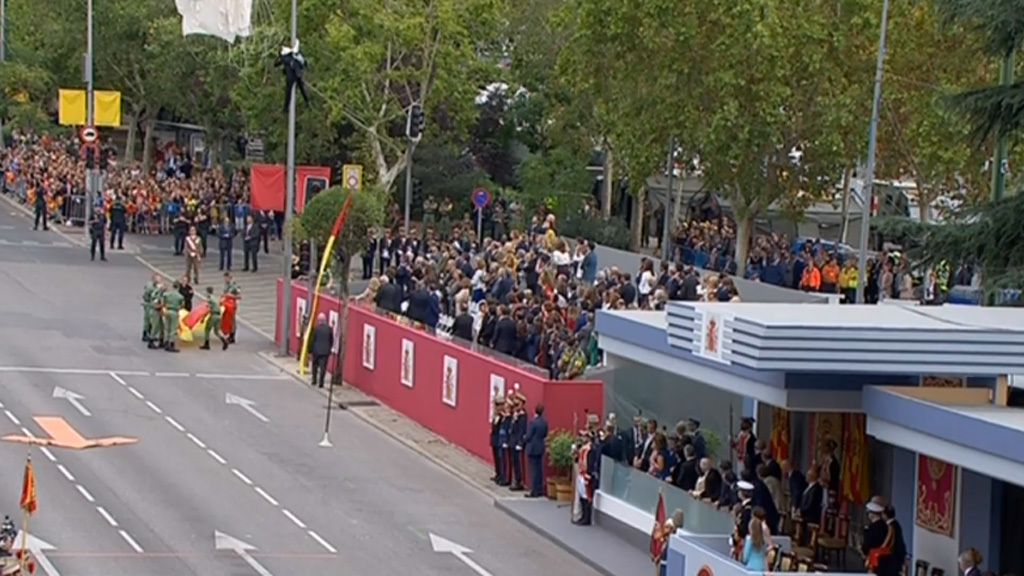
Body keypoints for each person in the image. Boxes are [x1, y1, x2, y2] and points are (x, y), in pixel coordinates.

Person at [522, 403, 548, 498]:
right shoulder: (544, 422)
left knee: (533, 470)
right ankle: (540, 489)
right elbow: (545, 434)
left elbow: (529, 436)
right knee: (539, 469)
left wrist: (524, 439)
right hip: (540, 447)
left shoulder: (533, 422)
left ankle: (534, 490)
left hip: (532, 447)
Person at [509, 393, 528, 491]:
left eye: (518, 404)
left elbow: (522, 430)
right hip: (513, 441)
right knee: (514, 462)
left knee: (518, 463)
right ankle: (516, 479)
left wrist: (520, 443)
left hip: (518, 442)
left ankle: (519, 481)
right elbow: (512, 429)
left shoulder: (523, 415)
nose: (516, 406)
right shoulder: (516, 414)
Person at [309, 313, 333, 388]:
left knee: (315, 366)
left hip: (316, 351)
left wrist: (310, 350)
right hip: (325, 352)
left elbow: (313, 340)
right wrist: (329, 348)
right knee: (323, 367)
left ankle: (314, 380)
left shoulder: (316, 329)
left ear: (319, 320)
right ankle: (321, 383)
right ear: (325, 320)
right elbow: (331, 340)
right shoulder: (329, 329)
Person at [200, 286, 229, 351]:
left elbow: (208, 309)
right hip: (219, 316)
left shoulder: (209, 298)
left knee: (207, 329)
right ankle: (224, 340)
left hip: (213, 315)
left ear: (207, 292)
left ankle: (206, 344)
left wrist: (203, 318)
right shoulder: (215, 298)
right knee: (216, 331)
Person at [162, 282, 184, 352]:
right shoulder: (180, 296)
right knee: (173, 329)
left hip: (167, 311)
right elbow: (182, 305)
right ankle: (171, 344)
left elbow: (163, 302)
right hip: (174, 312)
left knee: (167, 328)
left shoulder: (167, 294)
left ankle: (165, 342)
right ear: (178, 287)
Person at [489, 396, 506, 485]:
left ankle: (501, 475)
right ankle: (497, 473)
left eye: (498, 405)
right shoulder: (496, 415)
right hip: (494, 439)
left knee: (500, 459)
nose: (496, 407)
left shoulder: (503, 416)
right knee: (496, 458)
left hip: (499, 440)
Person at [221, 272, 240, 344]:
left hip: (232, 305)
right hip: (226, 304)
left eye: (226, 278)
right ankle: (228, 334)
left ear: (230, 278)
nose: (225, 280)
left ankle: (232, 336)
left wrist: (230, 296)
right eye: (224, 278)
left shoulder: (234, 286)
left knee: (232, 320)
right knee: (226, 319)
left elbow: (239, 296)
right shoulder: (226, 285)